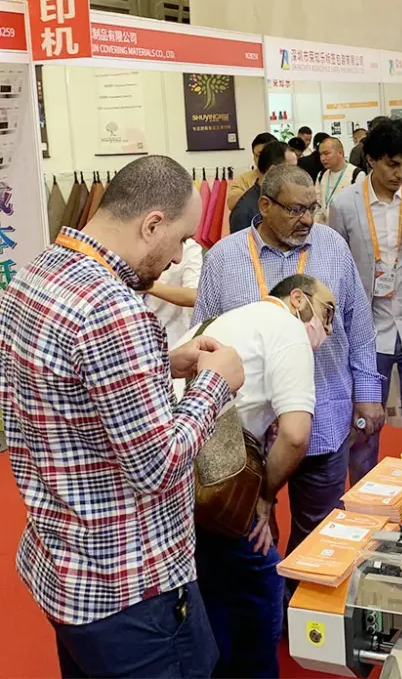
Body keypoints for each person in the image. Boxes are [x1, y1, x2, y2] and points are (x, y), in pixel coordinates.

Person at [0, 155, 245, 678]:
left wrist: (159, 363)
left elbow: (66, 387)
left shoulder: (37, 273)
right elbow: (157, 466)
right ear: (151, 224)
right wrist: (214, 384)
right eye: (180, 239)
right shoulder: (113, 308)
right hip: (132, 587)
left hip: (65, 570)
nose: (177, 257)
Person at [194, 163, 383, 585]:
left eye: (312, 208)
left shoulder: (332, 247)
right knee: (254, 533)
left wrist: (369, 392)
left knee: (318, 530)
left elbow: (359, 325)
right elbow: (203, 338)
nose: (306, 220)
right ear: (264, 206)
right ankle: (270, 609)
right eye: (295, 210)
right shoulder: (224, 258)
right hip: (248, 433)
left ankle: (305, 607)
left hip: (323, 416)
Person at [184, 273, 333, 679]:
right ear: (297, 299)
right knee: (261, 580)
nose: (329, 328)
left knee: (212, 585)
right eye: (327, 312)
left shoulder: (232, 318)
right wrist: (264, 497)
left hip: (184, 477)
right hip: (219, 479)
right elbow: (296, 435)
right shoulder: (287, 328)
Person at [328, 118, 402, 482]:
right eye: (392, 164)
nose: (401, 173)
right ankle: (364, 500)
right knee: (363, 430)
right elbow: (337, 268)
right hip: (367, 332)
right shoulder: (344, 205)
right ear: (371, 160)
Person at [230, 140, 299, 234]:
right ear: (273, 170)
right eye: (291, 169)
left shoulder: (287, 198)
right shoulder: (245, 210)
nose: (297, 175)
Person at [146, 237, 203, 348]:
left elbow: (194, 296)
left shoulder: (189, 248)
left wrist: (148, 286)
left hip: (168, 335)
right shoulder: (131, 240)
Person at [316, 136, 365, 223]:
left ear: (340, 153)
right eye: (320, 154)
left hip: (347, 225)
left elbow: (361, 208)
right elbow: (318, 203)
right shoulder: (321, 175)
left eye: (326, 153)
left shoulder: (356, 174)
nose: (322, 158)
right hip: (324, 225)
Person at [229, 133, 277, 210]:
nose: (261, 159)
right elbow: (232, 203)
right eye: (257, 155)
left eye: (265, 155)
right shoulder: (243, 179)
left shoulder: (288, 176)